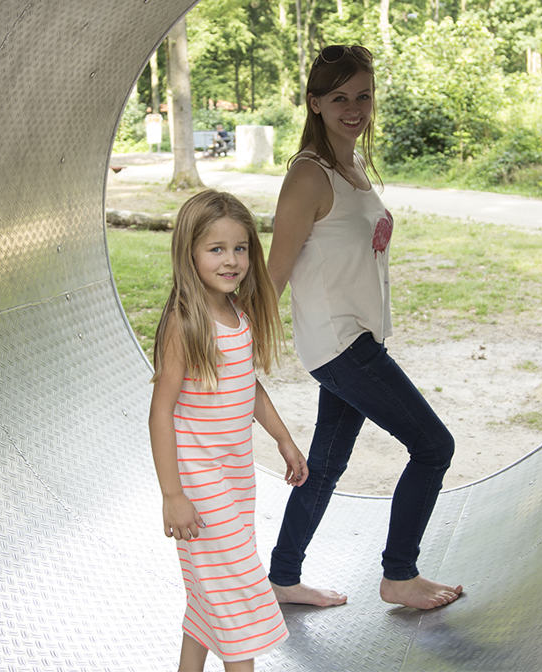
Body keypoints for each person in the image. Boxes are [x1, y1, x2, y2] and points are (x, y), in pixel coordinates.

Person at [266, 44, 462, 611]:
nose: (354, 107)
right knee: (433, 447)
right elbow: (275, 270)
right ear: (315, 103)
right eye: (339, 97)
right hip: (339, 344)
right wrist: (234, 339)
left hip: (357, 337)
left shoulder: (350, 166)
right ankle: (398, 575)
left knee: (323, 465)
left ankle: (283, 575)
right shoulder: (308, 175)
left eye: (363, 95)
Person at [148, 189, 309, 672]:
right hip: (197, 478)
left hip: (236, 474)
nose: (231, 260)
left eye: (240, 248)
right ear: (189, 253)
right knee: (239, 589)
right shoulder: (185, 322)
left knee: (211, 590)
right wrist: (172, 494)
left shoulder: (236, 312)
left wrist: (282, 438)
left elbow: (248, 386)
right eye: (216, 249)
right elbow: (161, 412)